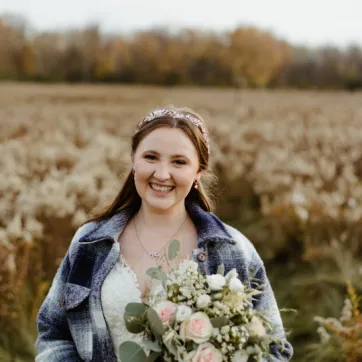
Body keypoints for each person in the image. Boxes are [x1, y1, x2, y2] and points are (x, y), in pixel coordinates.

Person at [35, 107, 293, 361]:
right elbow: (54, 333)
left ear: (198, 172)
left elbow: (274, 349)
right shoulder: (90, 242)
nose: (161, 174)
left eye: (179, 162)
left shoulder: (233, 249)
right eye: (150, 157)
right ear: (134, 160)